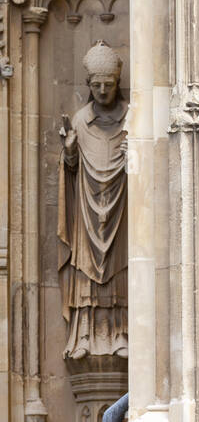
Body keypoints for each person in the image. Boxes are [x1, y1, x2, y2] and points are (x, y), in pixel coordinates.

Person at [58, 41, 128, 358]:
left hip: (121, 210)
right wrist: (70, 150)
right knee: (86, 267)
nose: (102, 90)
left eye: (108, 85)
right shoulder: (80, 120)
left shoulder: (131, 121)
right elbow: (70, 170)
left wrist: (135, 160)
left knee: (120, 267)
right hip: (87, 210)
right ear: (88, 85)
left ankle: (121, 334)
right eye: (97, 85)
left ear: (118, 84)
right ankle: (84, 335)